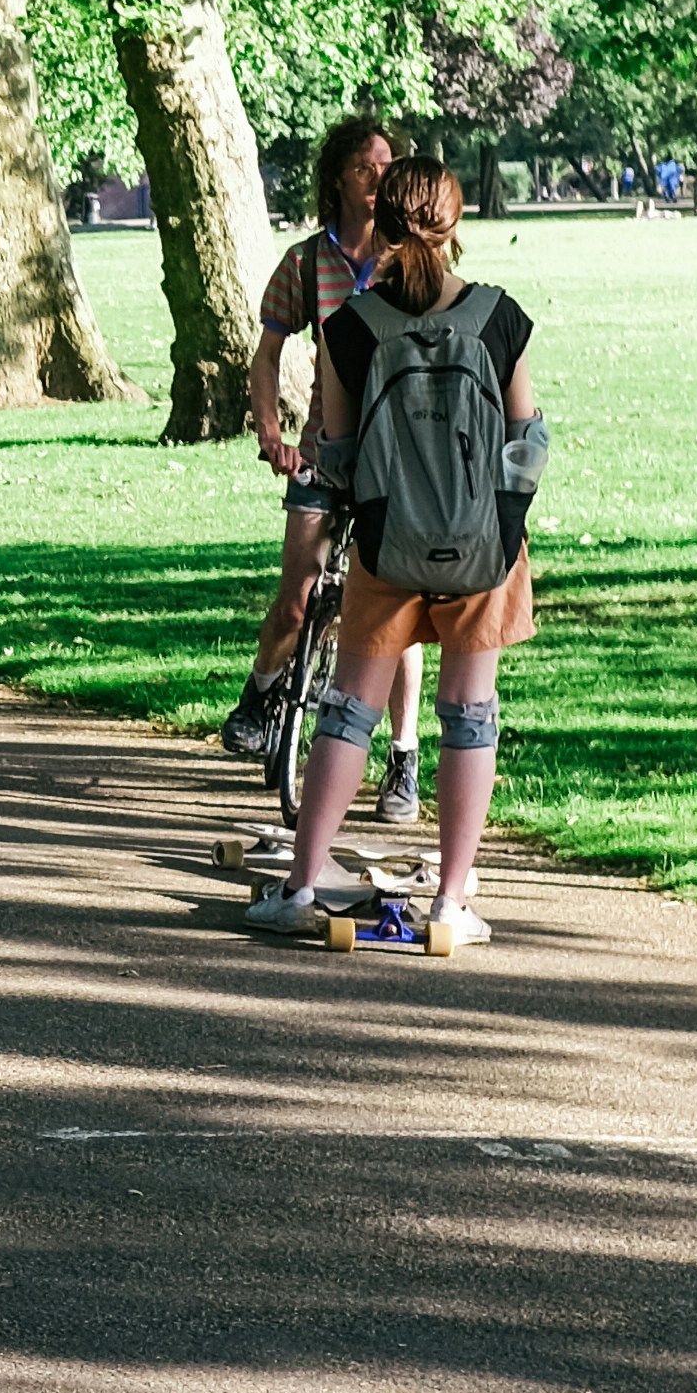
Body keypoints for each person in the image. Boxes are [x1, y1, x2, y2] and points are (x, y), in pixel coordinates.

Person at [247, 153, 545, 957]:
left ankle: (299, 888)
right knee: (469, 714)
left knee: (350, 709)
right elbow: (527, 440)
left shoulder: (350, 328)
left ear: (379, 223)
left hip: (386, 547)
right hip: (482, 551)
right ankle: (451, 901)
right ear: (455, 224)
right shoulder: (500, 318)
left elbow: (338, 450)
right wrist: (499, 522)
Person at [220, 117, 425, 822]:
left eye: (387, 167)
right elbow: (267, 353)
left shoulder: (408, 260)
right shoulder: (307, 262)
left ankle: (404, 757)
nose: (379, 179)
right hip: (323, 452)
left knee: (397, 617)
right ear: (338, 177)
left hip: (393, 461)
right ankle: (262, 692)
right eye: (366, 167)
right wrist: (271, 432)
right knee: (297, 596)